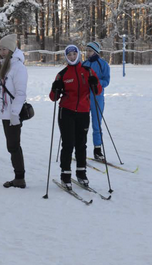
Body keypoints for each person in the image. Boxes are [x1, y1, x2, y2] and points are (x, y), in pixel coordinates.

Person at [49, 45, 102, 190]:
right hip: (66, 112)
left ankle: (81, 172)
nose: (72, 57)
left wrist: (94, 83)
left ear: (78, 55)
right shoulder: (62, 74)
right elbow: (53, 98)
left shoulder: (88, 71)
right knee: (68, 144)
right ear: (66, 57)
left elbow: (97, 91)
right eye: (69, 55)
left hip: (83, 112)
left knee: (81, 144)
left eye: (74, 54)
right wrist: (56, 87)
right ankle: (65, 174)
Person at [0, 34, 28, 188]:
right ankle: (18, 177)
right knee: (11, 146)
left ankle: (19, 178)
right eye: (0, 49)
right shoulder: (2, 66)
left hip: (14, 114)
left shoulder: (18, 67)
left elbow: (20, 93)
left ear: (12, 50)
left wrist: (14, 114)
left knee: (13, 146)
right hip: (5, 113)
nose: (2, 52)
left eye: (5, 49)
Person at [82, 41, 110, 161]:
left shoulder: (102, 64)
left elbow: (106, 80)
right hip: (84, 98)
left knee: (96, 124)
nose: (88, 53)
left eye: (90, 50)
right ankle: (81, 148)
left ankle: (97, 150)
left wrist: (97, 83)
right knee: (83, 124)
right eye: (87, 50)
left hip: (97, 98)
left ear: (96, 52)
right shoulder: (84, 64)